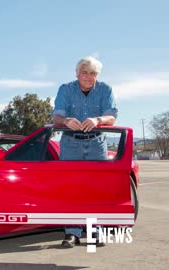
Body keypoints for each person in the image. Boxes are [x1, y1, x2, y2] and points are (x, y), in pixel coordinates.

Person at [52, 56, 118, 248]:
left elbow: (111, 116)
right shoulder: (66, 89)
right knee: (71, 188)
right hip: (71, 144)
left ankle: (94, 231)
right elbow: (56, 115)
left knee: (96, 189)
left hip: (97, 144)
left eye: (93, 74)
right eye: (85, 72)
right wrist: (65, 121)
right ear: (77, 73)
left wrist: (98, 120)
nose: (89, 77)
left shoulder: (106, 89)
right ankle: (72, 233)